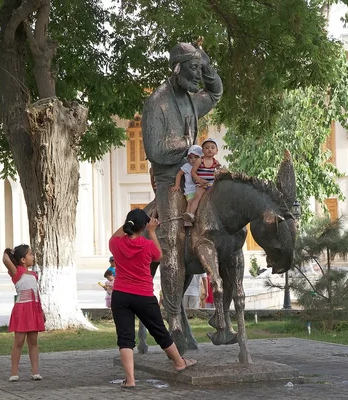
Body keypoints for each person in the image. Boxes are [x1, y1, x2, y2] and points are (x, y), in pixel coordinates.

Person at [142, 41, 222, 343]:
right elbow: (155, 150)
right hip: (169, 180)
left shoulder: (189, 98)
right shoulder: (157, 104)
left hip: (196, 174)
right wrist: (190, 152)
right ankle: (173, 317)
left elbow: (215, 92)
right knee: (173, 240)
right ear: (177, 69)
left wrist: (205, 59)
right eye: (193, 70)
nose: (198, 77)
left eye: (200, 71)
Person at [109, 208, 196, 388]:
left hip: (121, 295)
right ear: (143, 227)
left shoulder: (115, 244)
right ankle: (179, 362)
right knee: (159, 331)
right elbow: (159, 255)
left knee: (125, 338)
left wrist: (131, 220)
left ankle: (130, 380)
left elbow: (116, 235)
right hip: (143, 296)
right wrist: (151, 231)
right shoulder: (147, 245)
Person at [2, 245, 46, 382]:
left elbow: (36, 293)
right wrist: (8, 251)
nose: (33, 257)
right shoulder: (17, 272)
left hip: (34, 309)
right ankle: (14, 373)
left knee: (33, 342)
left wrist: (41, 310)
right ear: (22, 259)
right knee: (19, 342)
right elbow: (5, 260)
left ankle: (35, 372)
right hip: (21, 311)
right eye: (30, 254)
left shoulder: (33, 274)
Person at [183, 138, 221, 223]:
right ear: (203, 150)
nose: (210, 149)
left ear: (216, 151)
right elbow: (193, 172)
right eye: (207, 148)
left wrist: (219, 169)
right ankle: (190, 214)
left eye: (212, 147)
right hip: (201, 185)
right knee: (197, 197)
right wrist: (199, 180)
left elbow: (217, 173)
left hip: (212, 185)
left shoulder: (216, 162)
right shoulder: (200, 160)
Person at [172, 145, 203, 222]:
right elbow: (179, 174)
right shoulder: (187, 166)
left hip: (200, 189)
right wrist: (177, 185)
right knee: (191, 202)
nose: (193, 159)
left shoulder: (202, 167)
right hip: (190, 190)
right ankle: (187, 218)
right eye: (190, 157)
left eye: (196, 157)